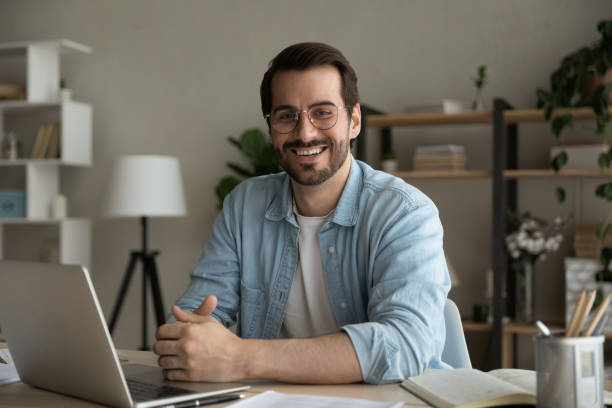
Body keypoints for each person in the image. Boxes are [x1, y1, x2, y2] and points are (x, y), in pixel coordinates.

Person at [153, 42, 450, 385]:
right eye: (286, 116)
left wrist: (242, 358)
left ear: (354, 121)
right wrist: (186, 340)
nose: (305, 132)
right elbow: (196, 316)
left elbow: (403, 345)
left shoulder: (404, 213)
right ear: (271, 128)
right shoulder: (245, 205)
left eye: (323, 112)